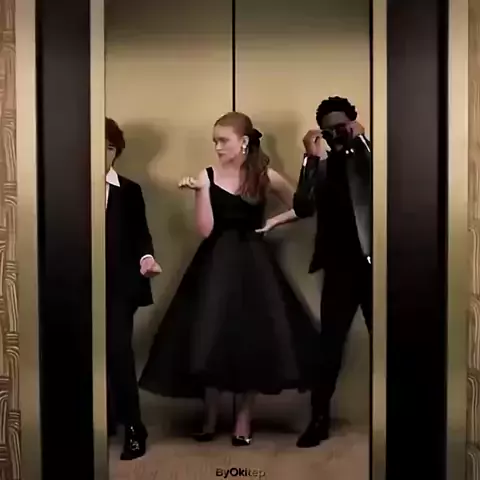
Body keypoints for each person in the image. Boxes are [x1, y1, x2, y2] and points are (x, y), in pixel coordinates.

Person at [138, 112, 319, 446]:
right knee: (207, 337)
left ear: (244, 142)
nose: (218, 147)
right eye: (215, 141)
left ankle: (243, 418)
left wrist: (274, 222)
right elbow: (206, 230)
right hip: (214, 264)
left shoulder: (263, 176)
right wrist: (201, 191)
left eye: (223, 140)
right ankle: (209, 416)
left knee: (253, 338)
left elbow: (304, 206)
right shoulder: (206, 175)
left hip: (255, 265)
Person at [261, 96, 372, 447]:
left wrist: (361, 140)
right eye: (329, 130)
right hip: (339, 269)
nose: (336, 134)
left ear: (353, 123)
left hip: (376, 266)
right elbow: (303, 206)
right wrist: (310, 157)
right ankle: (319, 419)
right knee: (329, 348)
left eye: (342, 127)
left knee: (391, 343)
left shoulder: (371, 158)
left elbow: (381, 185)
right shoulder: (322, 167)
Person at [105, 117, 162, 460]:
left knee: (117, 354)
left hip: (117, 286)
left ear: (117, 151)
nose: (104, 154)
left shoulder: (128, 190)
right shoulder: (65, 185)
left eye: (110, 148)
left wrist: (146, 258)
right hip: (74, 285)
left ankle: (133, 428)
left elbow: (141, 234)